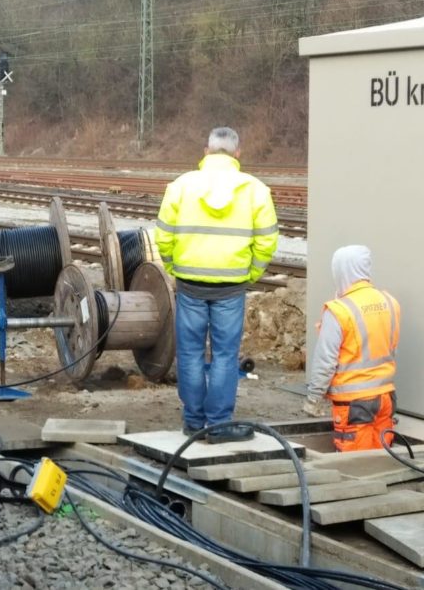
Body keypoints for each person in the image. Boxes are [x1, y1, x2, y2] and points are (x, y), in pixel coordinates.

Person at [155, 127, 278, 443]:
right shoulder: (255, 190)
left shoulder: (181, 186)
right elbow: (266, 241)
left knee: (191, 352)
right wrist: (251, 273)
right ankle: (219, 424)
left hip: (190, 284)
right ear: (238, 154)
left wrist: (174, 267)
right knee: (225, 355)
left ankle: (194, 422)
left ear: (206, 151)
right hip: (231, 286)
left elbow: (164, 236)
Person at [303, 245, 400, 452]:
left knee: (355, 465)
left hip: (355, 403)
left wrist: (313, 397)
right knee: (383, 456)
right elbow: (392, 347)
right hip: (386, 397)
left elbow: (325, 360)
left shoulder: (339, 310)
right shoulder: (390, 302)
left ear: (341, 271)